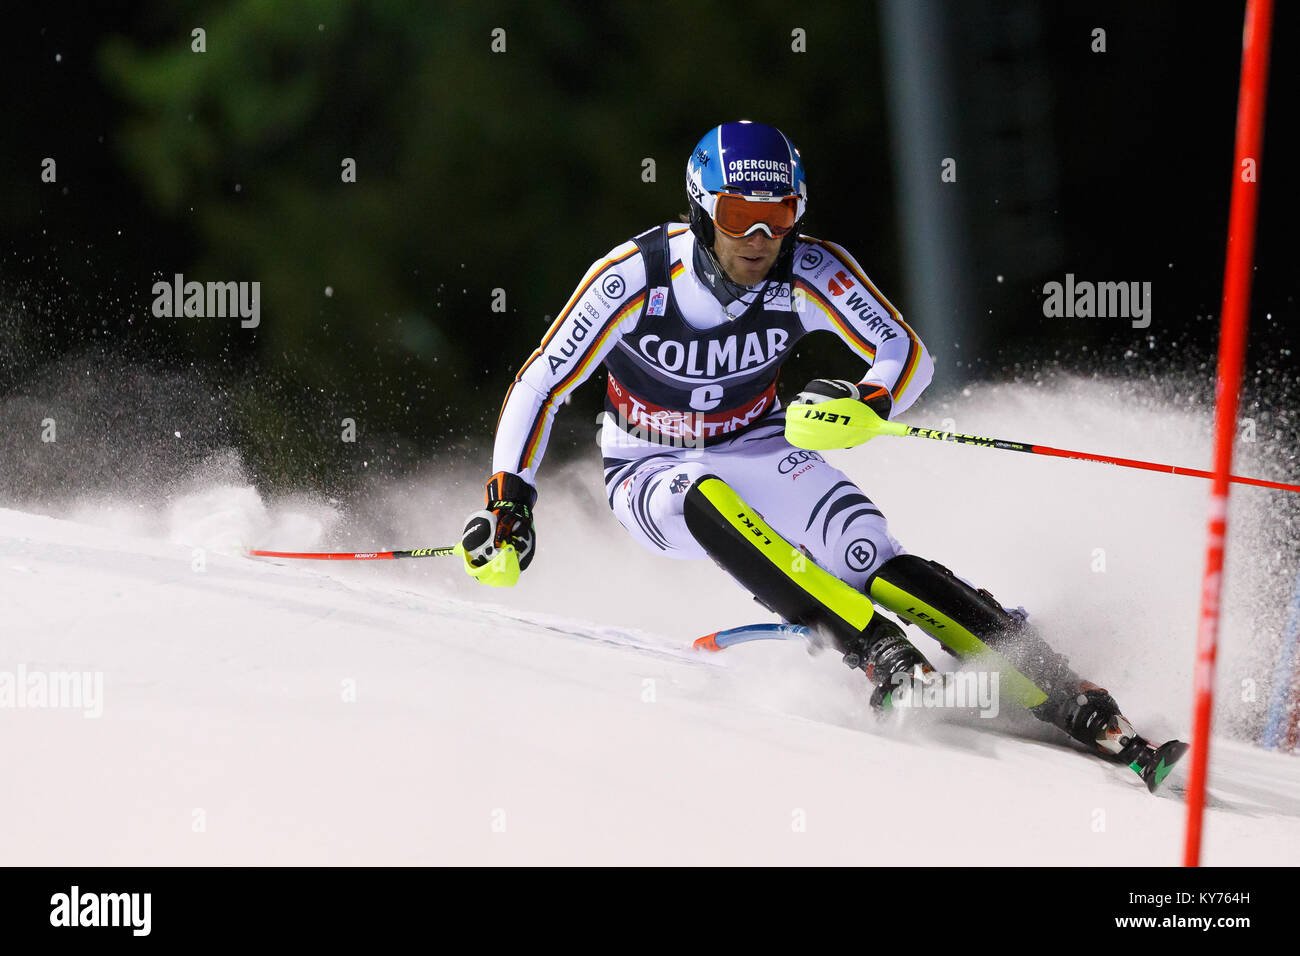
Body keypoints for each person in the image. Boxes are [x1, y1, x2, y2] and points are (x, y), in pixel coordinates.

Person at [459, 120, 1156, 768]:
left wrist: (869, 400)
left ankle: (1062, 688)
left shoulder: (809, 270)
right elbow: (540, 384)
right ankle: (877, 651)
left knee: (866, 555)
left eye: (781, 213)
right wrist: (509, 503)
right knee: (702, 493)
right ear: (702, 211)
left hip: (757, 443)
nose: (760, 236)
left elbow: (905, 353)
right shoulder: (635, 277)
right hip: (650, 464)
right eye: (738, 216)